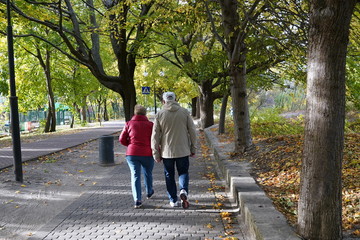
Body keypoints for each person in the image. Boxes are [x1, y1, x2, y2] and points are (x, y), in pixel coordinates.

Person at [151, 92, 197, 209]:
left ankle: (173, 199)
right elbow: (192, 131)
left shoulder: (160, 114)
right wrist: (193, 148)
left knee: (169, 175)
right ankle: (183, 190)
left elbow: (155, 136)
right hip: (183, 150)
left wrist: (155, 152)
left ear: (163, 101)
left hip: (167, 152)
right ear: (175, 99)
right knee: (183, 172)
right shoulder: (184, 112)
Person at [119, 105, 155, 209]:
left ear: (135, 113)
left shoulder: (128, 124)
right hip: (147, 153)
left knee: (135, 175)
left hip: (132, 153)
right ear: (145, 113)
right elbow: (154, 139)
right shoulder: (150, 125)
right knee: (148, 173)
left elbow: (121, 139)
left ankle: (137, 199)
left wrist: (130, 145)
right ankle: (149, 191)